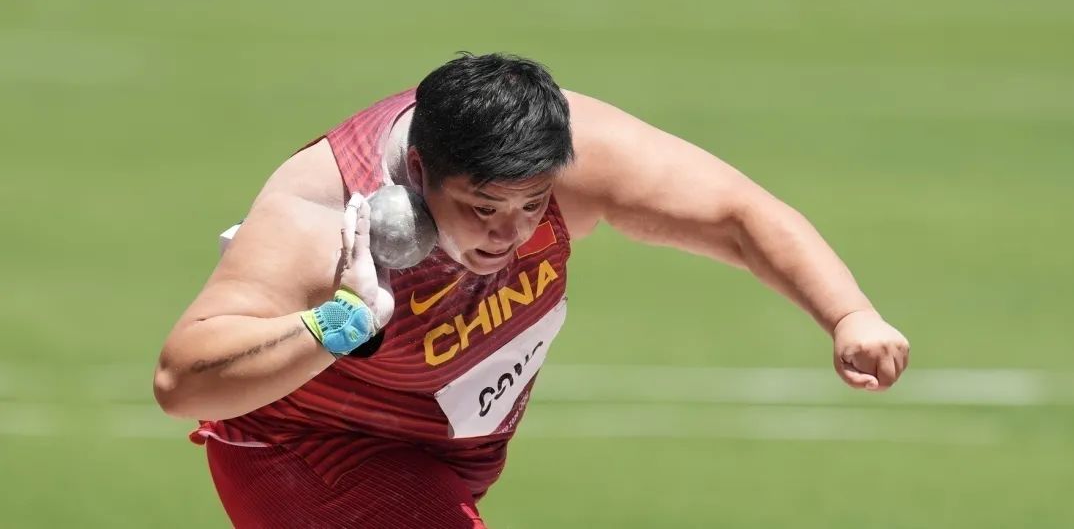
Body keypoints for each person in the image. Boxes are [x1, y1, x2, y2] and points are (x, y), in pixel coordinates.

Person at [153, 53, 910, 528]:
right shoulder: (323, 215)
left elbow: (736, 216)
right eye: (482, 208)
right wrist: (343, 321)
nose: (508, 233)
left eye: (531, 205)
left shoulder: (565, 150)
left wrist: (849, 313)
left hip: (449, 453)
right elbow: (181, 381)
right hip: (317, 453)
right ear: (418, 172)